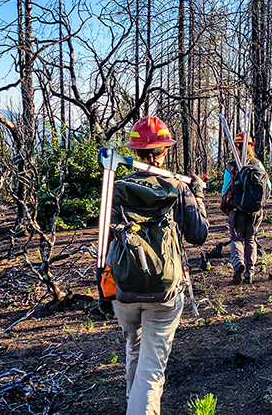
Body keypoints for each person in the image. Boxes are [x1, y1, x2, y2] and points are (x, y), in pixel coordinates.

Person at [112, 116, 208, 415]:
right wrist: (198, 195)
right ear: (164, 151)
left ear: (136, 151)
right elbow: (198, 235)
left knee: (134, 350)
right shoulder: (176, 186)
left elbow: (107, 238)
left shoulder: (117, 186)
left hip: (125, 288)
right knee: (152, 368)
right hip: (165, 290)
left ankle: (133, 404)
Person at [221, 132, 270, 285]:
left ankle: (238, 264)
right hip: (255, 211)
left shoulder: (231, 167)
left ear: (236, 146)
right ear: (250, 147)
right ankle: (250, 273)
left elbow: (225, 190)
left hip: (237, 211)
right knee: (250, 239)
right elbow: (268, 187)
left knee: (236, 238)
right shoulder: (257, 165)